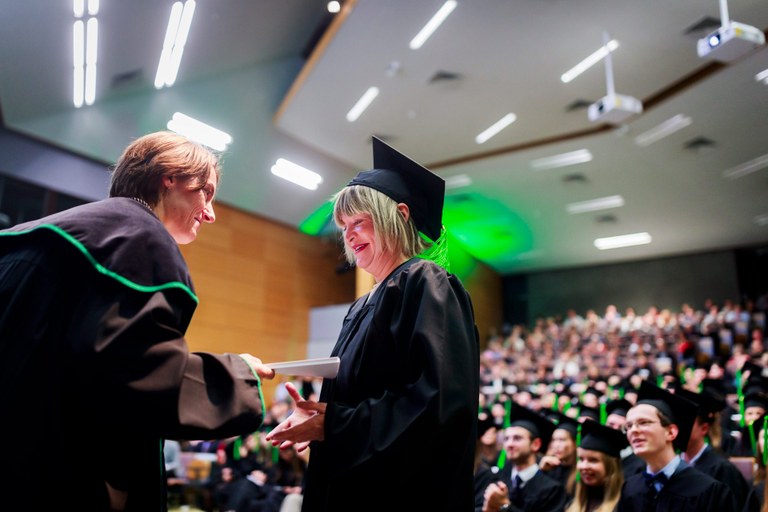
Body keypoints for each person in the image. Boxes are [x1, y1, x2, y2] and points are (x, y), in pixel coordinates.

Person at [0, 131, 275, 511]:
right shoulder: (139, 238)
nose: (211, 213)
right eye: (207, 193)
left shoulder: (28, 238)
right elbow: (135, 376)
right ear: (171, 176)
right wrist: (238, 373)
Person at [265, 137, 480, 511]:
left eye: (358, 222)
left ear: (399, 214)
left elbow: (437, 404)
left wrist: (335, 424)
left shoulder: (426, 282)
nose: (348, 235)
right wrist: (319, 415)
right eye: (343, 226)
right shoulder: (363, 303)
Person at [617, 381, 737, 511]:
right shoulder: (630, 488)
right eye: (628, 426)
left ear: (671, 432)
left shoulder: (708, 491)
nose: (633, 430)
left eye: (644, 422)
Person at [480, 404, 567, 512]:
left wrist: (505, 506)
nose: (509, 444)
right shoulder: (497, 479)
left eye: (517, 438)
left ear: (535, 444)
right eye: (506, 439)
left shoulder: (552, 490)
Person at [566, 420, 628, 512]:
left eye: (593, 460)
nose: (584, 466)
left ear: (611, 467)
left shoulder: (624, 506)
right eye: (581, 459)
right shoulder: (573, 503)